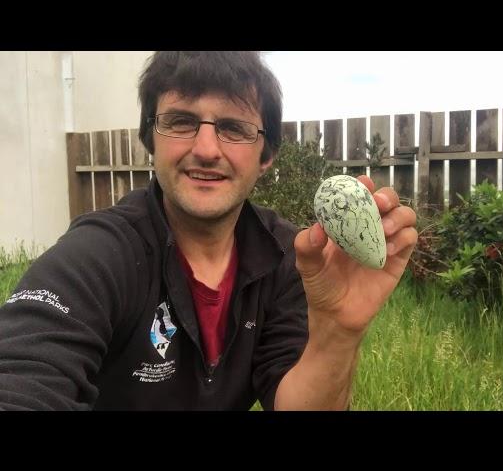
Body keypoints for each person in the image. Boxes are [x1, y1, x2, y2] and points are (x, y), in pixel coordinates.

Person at [0, 51, 417, 410]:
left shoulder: (289, 258)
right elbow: (23, 375)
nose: (205, 149)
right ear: (151, 138)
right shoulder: (100, 254)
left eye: (234, 128)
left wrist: (337, 332)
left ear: (266, 154)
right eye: (181, 121)